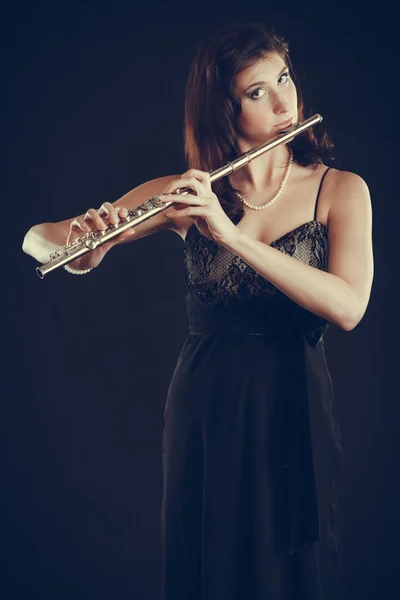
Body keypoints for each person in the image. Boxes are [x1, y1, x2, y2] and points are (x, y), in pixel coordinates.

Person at [23, 22, 374, 600]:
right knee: (206, 564)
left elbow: (349, 306)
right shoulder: (188, 191)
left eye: (284, 78)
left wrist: (230, 234)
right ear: (224, 109)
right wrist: (88, 246)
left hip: (292, 403)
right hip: (205, 404)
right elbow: (39, 239)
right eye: (258, 92)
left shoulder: (340, 190)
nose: (285, 101)